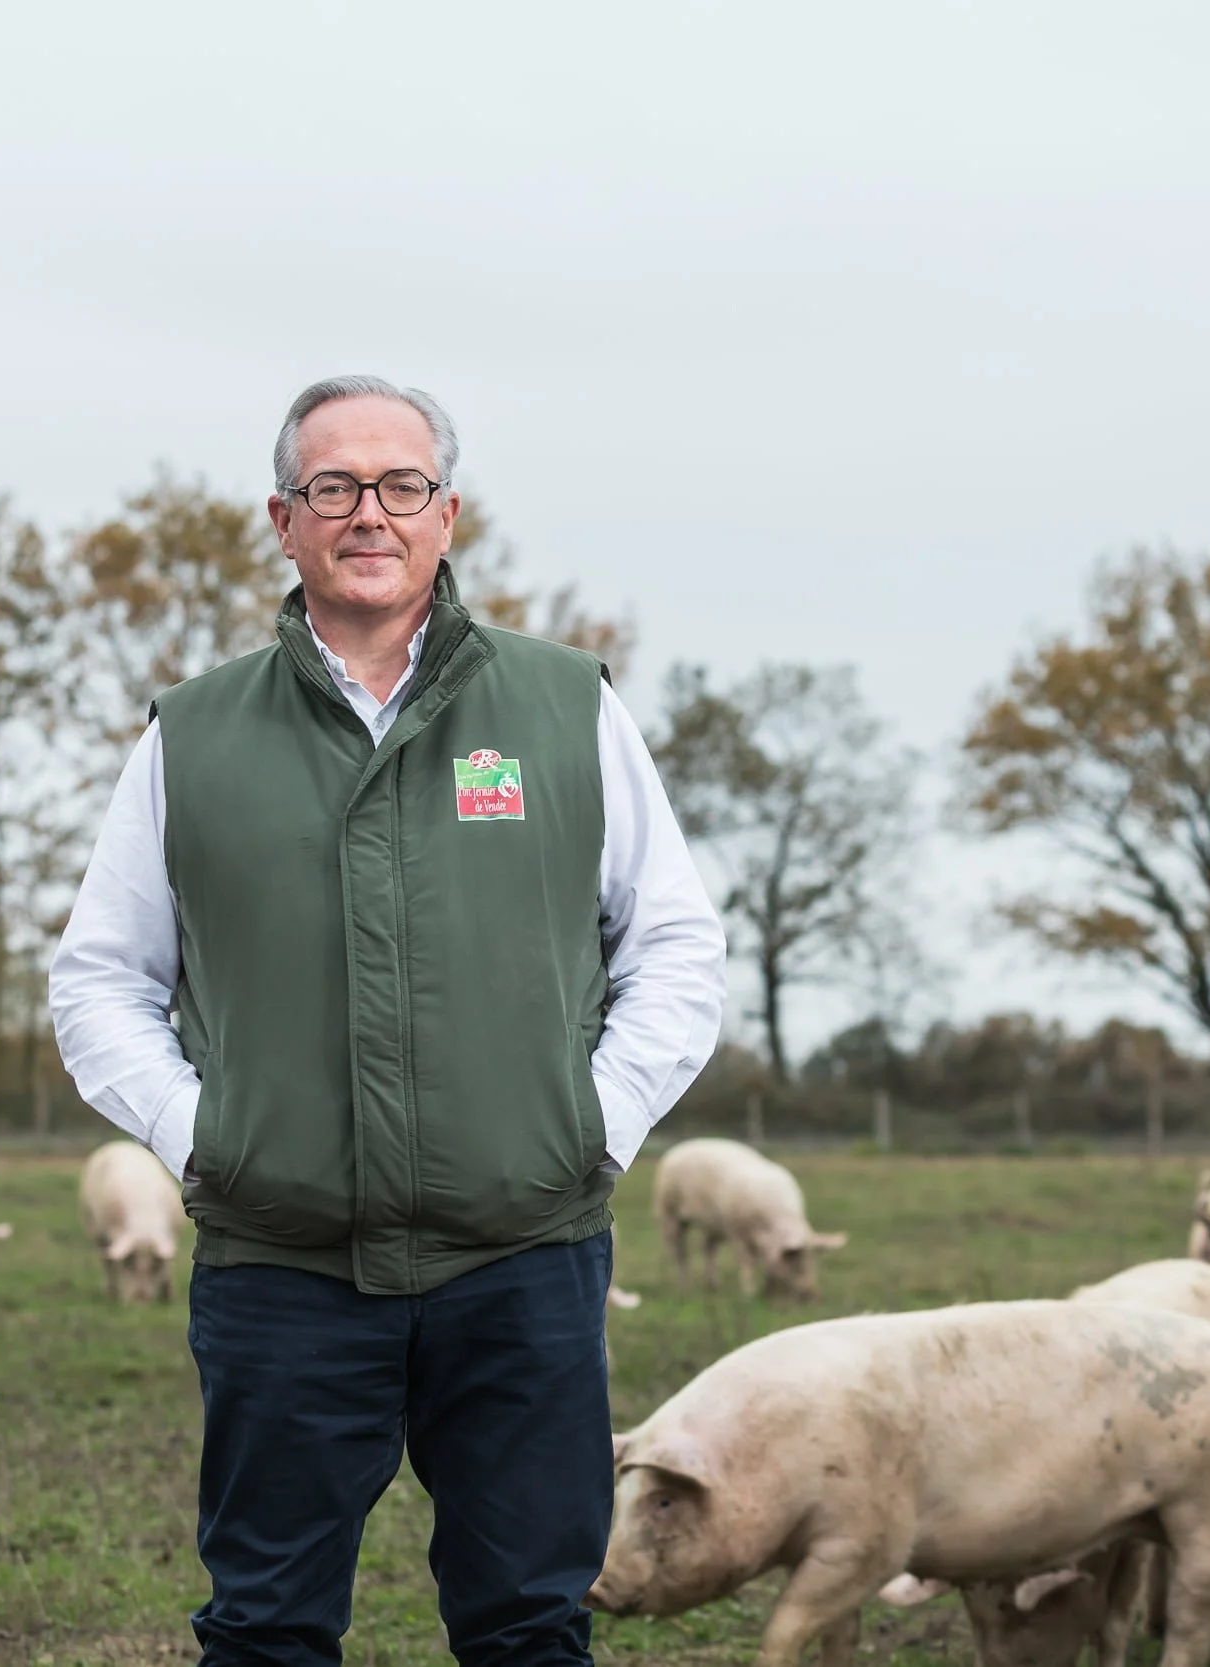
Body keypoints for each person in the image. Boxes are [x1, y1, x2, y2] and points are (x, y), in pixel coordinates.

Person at [51, 374, 726, 1666]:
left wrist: (594, 1123)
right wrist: (209, 1142)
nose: (370, 511)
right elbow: (99, 978)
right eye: (335, 486)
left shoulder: (560, 705)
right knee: (264, 1628)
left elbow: (678, 942)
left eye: (400, 485)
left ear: (447, 513)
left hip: (522, 1258)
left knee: (531, 1622)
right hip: (284, 1268)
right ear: (283, 517)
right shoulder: (194, 735)